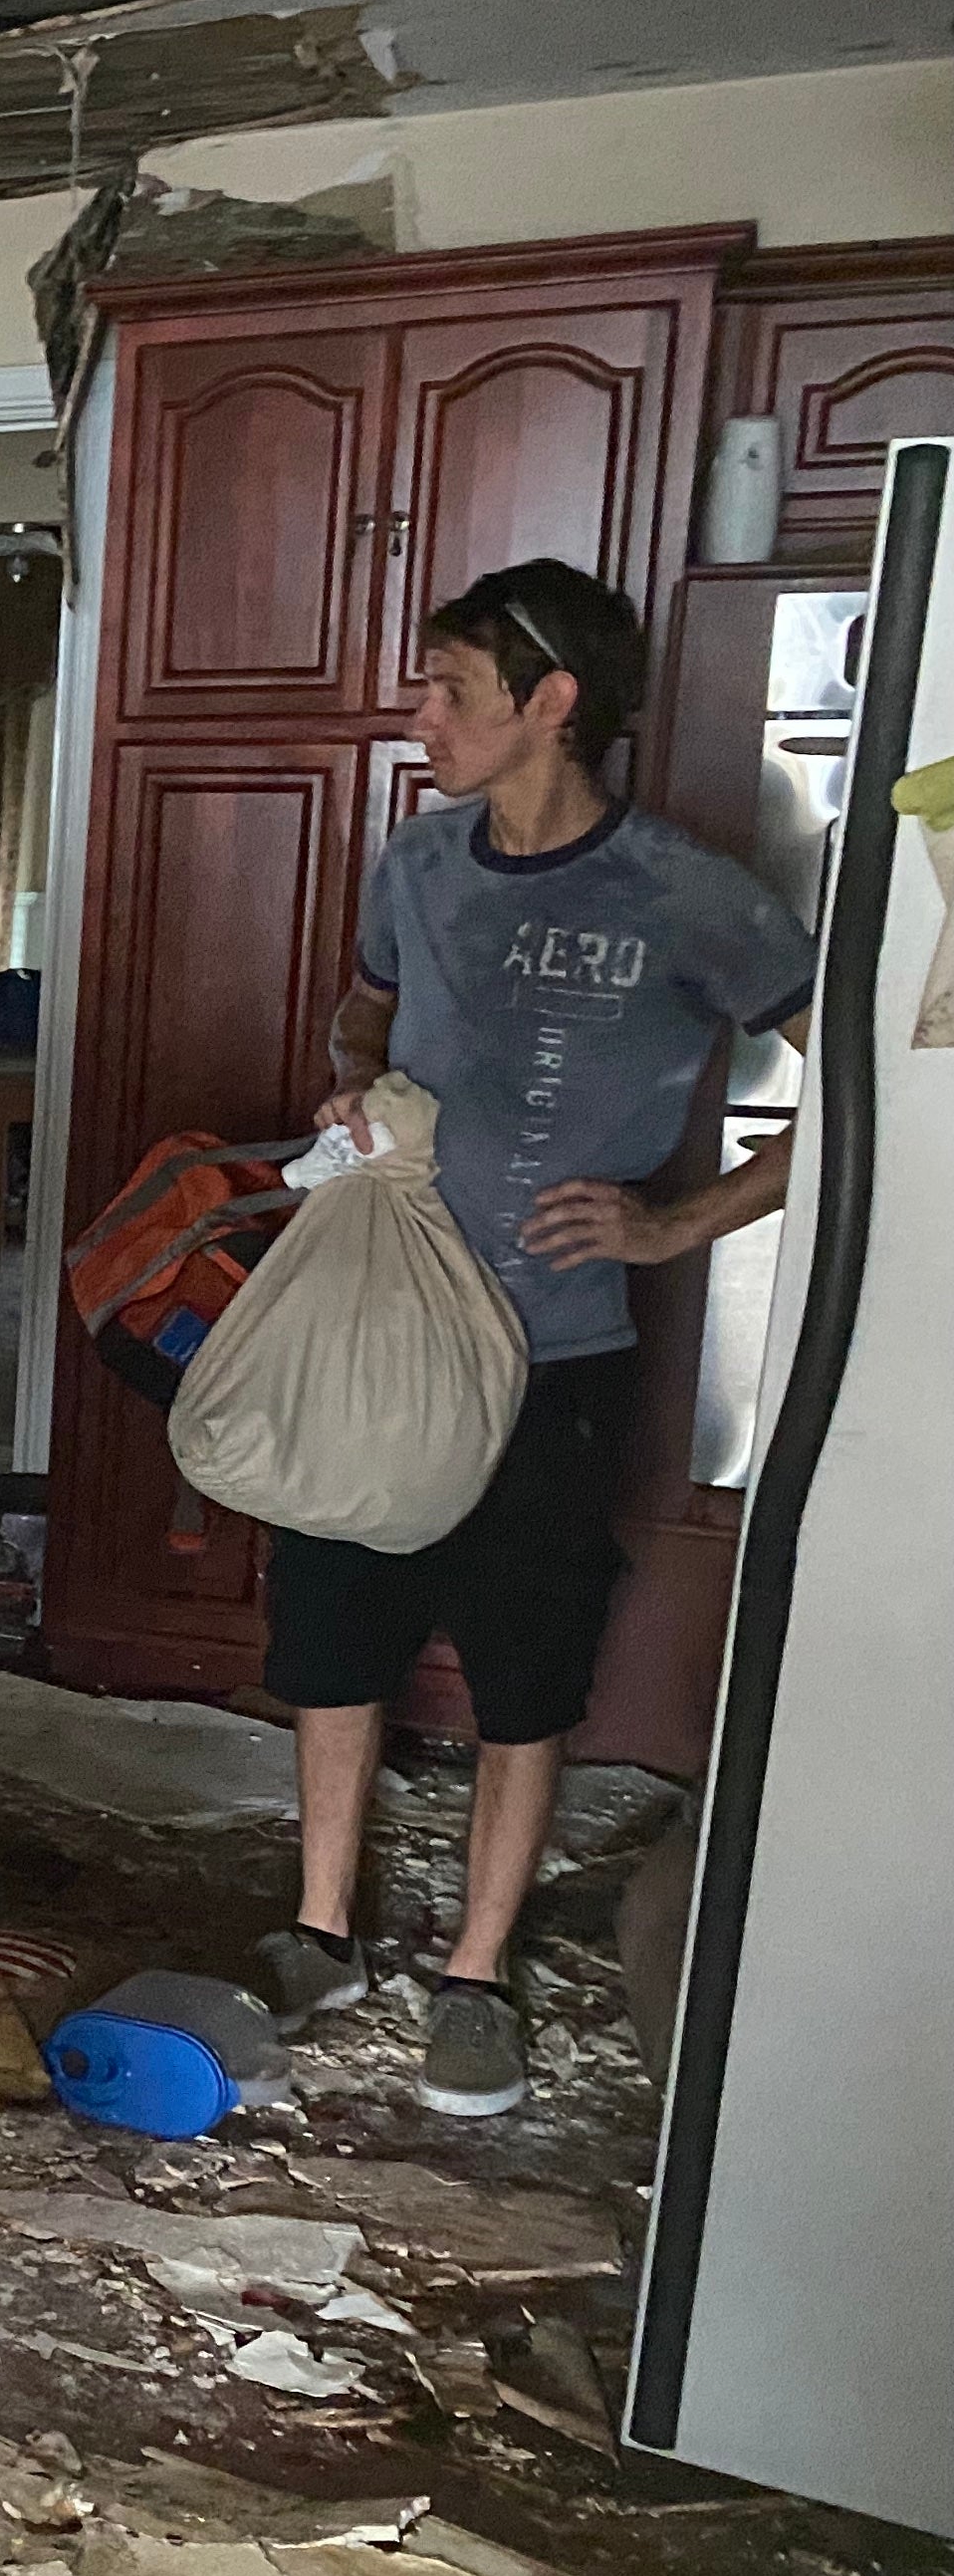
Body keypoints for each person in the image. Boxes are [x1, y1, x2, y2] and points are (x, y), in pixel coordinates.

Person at [251, 560, 817, 2116]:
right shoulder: (419, 865)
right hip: (384, 1323)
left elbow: (873, 1095)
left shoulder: (694, 897)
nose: (419, 715)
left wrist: (670, 1226)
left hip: (555, 1350)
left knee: (526, 1667)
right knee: (332, 1627)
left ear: (550, 703)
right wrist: (348, 1080)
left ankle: (479, 1969)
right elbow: (360, 1014)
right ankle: (321, 1926)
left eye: (449, 690)